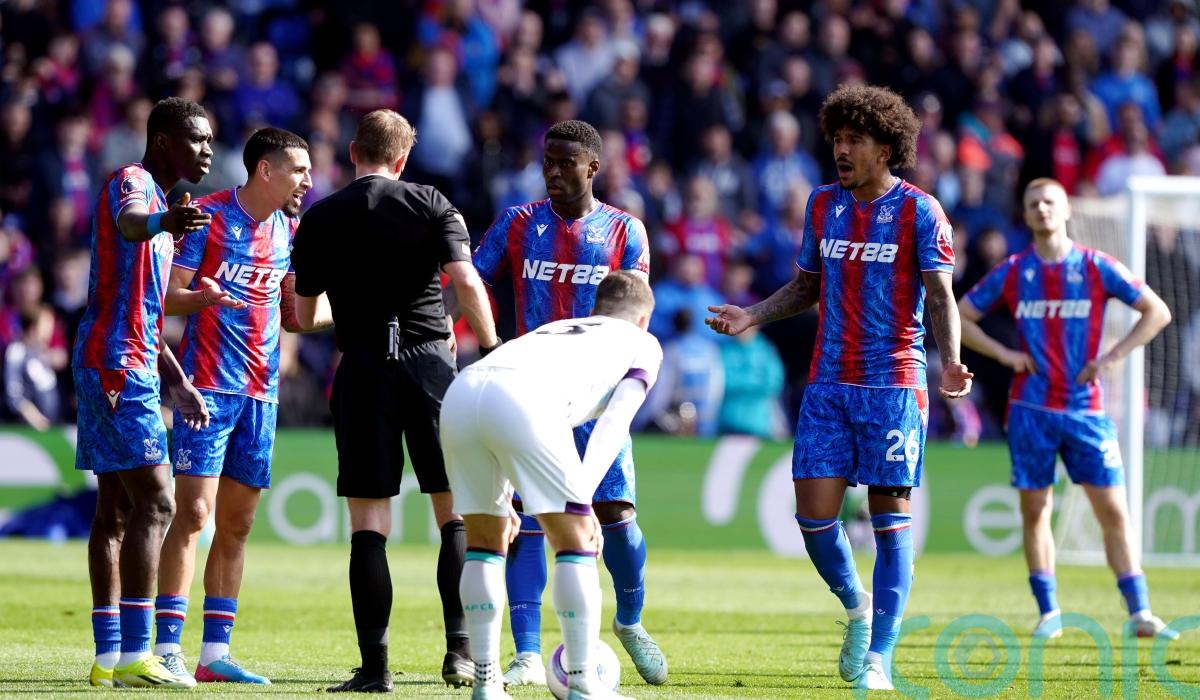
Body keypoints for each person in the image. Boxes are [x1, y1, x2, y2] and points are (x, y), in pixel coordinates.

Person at [706, 84, 973, 690]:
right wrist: (753, 315)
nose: (841, 150)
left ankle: (879, 656)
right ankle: (857, 608)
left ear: (887, 149)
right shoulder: (823, 203)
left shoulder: (921, 211)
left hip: (893, 384)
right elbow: (807, 285)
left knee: (889, 515)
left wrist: (951, 361)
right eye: (837, 139)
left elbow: (940, 296)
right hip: (828, 384)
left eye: (855, 140)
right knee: (813, 515)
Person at [289, 109, 500, 692]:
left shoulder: (321, 216)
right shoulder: (432, 202)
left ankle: (375, 669)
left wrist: (351, 311)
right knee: (452, 511)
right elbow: (466, 281)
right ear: (402, 158)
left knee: (369, 523)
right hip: (431, 365)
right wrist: (491, 347)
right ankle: (460, 652)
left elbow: (304, 316)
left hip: (362, 368)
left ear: (353, 151)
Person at [468, 119, 666, 687]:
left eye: (565, 163)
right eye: (547, 162)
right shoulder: (517, 222)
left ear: (593, 168)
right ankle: (528, 653)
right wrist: (486, 340)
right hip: (532, 393)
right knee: (529, 519)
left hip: (598, 396)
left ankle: (630, 620)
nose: (552, 172)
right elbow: (472, 281)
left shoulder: (625, 230)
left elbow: (635, 306)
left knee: (617, 516)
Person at [958, 178, 1176, 640]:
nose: (1042, 209)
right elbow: (961, 316)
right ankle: (1049, 613)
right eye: (1033, 203)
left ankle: (1140, 612)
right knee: (1036, 510)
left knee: (1113, 511)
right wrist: (1005, 354)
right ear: (1025, 214)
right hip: (1030, 408)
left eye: (1049, 202)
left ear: (1066, 210)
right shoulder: (1015, 270)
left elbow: (1157, 311)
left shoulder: (1096, 266)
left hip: (1085, 410)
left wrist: (1112, 357)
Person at [153, 127, 327, 685]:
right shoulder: (206, 217)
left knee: (238, 523)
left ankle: (214, 654)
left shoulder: (290, 230)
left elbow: (295, 317)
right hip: (206, 387)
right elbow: (167, 298)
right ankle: (166, 648)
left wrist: (358, 308)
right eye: (299, 169)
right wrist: (205, 297)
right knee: (193, 515)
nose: (308, 179)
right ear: (266, 170)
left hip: (261, 392)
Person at [443, 270, 659, 700]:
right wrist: (584, 500)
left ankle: (486, 683)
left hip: (464, 391)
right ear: (642, 319)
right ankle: (583, 681)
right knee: (576, 541)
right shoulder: (643, 343)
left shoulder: (558, 329)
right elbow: (615, 422)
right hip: (522, 398)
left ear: (597, 309)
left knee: (485, 543)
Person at [74, 96, 218, 689]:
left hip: (121, 359)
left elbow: (146, 309)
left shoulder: (162, 204)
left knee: (115, 510)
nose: (208, 149)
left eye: (210, 140)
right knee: (158, 503)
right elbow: (133, 222)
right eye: (197, 138)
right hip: (116, 366)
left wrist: (177, 380)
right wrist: (163, 224)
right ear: (163, 140)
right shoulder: (133, 183)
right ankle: (139, 652)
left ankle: (109, 656)